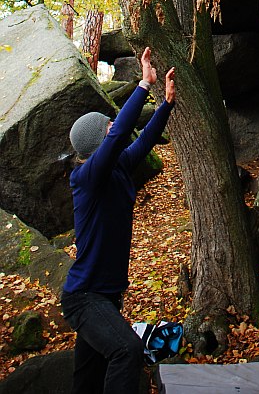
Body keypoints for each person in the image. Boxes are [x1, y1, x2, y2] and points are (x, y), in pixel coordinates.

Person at [61, 48, 176, 394]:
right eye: (109, 128)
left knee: (88, 377)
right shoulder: (87, 178)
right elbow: (117, 136)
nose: (115, 127)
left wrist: (166, 104)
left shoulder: (119, 167)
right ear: (98, 143)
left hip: (108, 297)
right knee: (127, 351)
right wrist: (142, 85)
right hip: (84, 297)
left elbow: (143, 140)